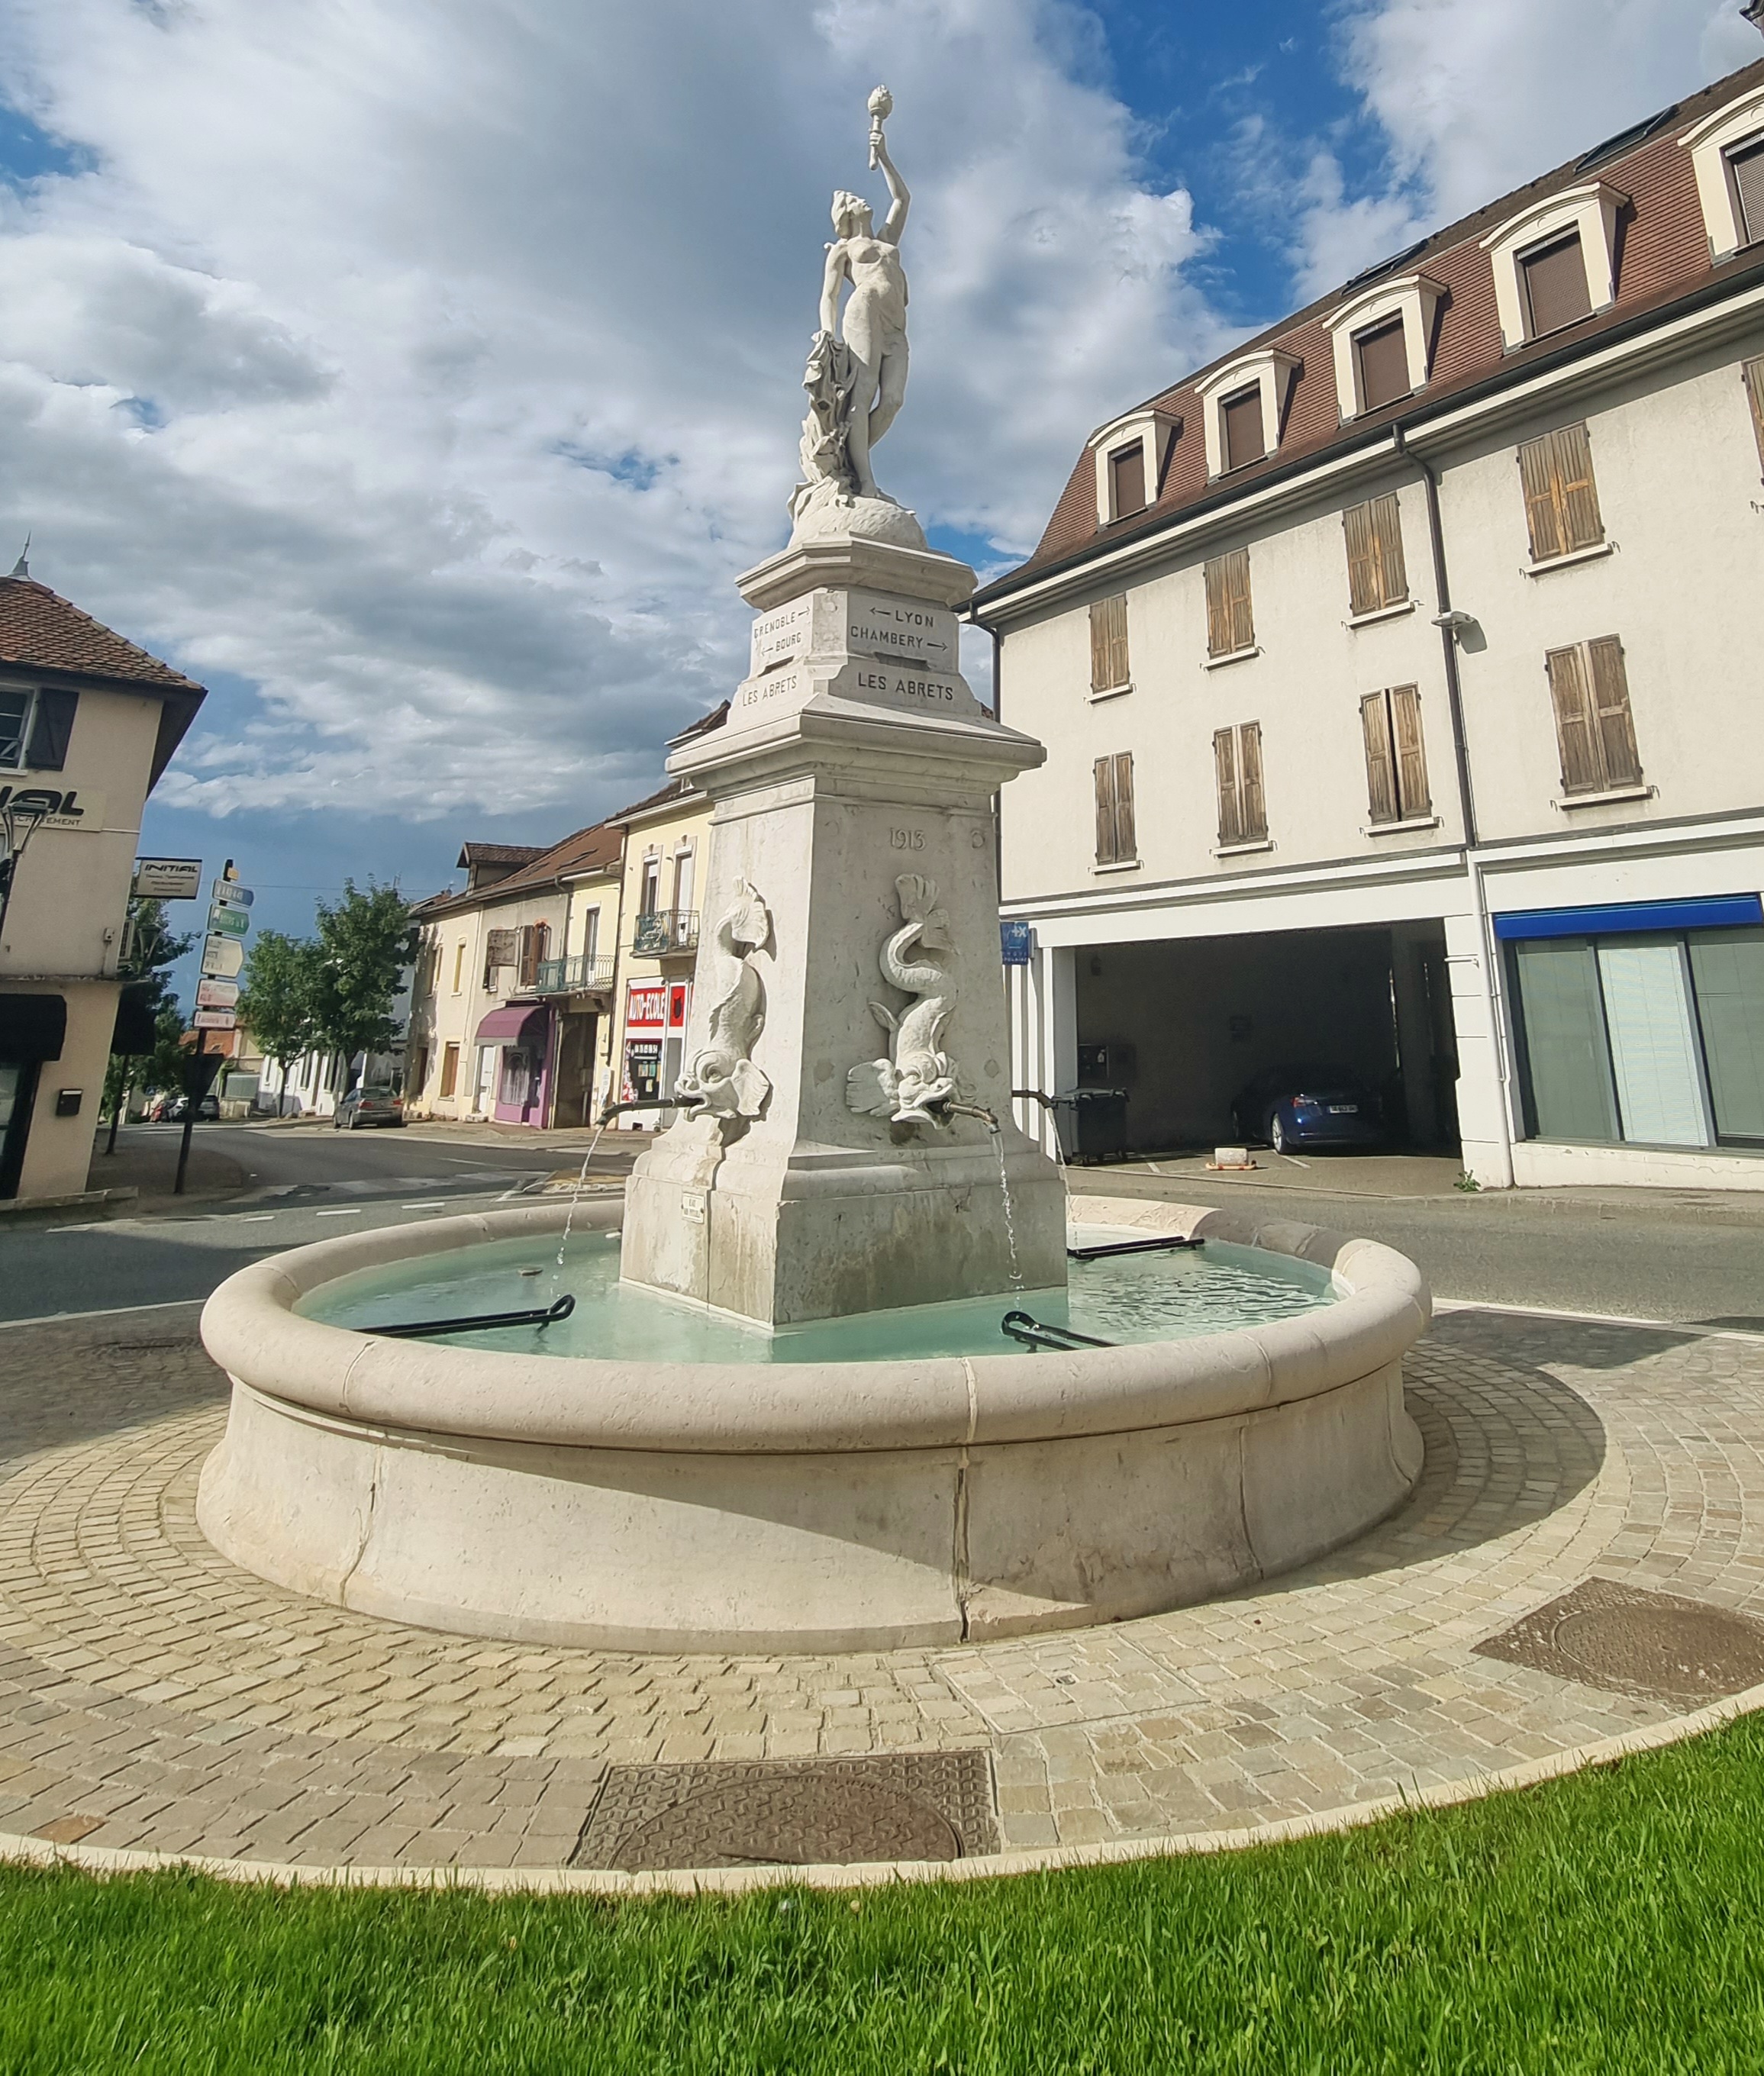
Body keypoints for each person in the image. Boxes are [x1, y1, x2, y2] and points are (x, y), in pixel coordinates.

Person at [818, 130, 909, 502]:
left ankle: (846, 458)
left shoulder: (887, 240)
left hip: (896, 326)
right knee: (863, 394)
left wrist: (884, 154)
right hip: (864, 311)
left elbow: (903, 198)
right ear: (845, 215)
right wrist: (827, 333)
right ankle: (866, 481)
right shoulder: (843, 248)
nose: (861, 199)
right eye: (853, 200)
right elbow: (829, 296)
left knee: (892, 401)